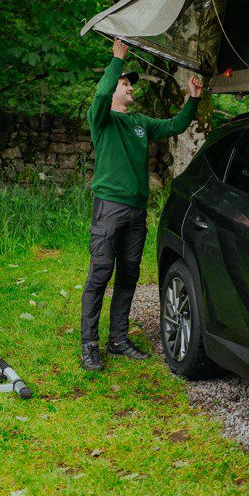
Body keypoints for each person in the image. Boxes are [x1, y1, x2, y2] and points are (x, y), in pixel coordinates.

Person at [80, 38, 203, 371]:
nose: (130, 88)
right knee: (100, 273)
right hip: (109, 207)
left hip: (136, 212)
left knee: (129, 274)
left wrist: (192, 100)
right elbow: (102, 94)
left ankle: (118, 340)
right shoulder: (101, 119)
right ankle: (89, 344)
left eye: (130, 84)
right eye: (125, 83)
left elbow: (176, 126)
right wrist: (116, 61)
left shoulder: (140, 123)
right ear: (113, 87)